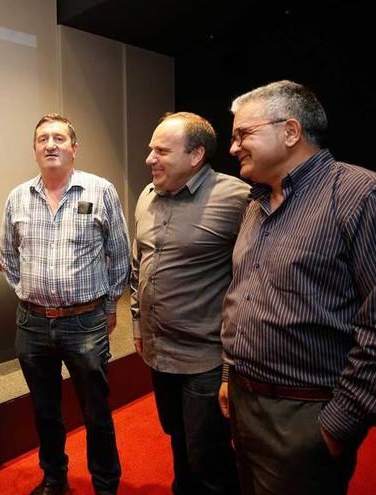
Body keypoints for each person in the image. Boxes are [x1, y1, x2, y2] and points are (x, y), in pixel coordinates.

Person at [219, 80, 376, 495]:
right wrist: (231, 373)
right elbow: (241, 296)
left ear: (290, 132)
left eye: (243, 134)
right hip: (245, 405)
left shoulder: (369, 198)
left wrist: (340, 425)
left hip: (306, 415)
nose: (233, 147)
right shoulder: (256, 205)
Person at [0, 113, 129, 495]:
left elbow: (119, 255)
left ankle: (106, 485)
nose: (50, 144)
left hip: (85, 322)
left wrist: (108, 308)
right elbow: (8, 255)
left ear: (74, 147)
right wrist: (27, 293)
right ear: (34, 149)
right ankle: (54, 479)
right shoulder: (17, 197)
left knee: (96, 412)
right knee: (44, 411)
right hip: (33, 324)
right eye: (42, 139)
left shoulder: (100, 190)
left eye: (59, 138)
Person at [130, 112, 247, 495]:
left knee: (208, 454)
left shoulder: (237, 198)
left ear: (196, 155)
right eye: (151, 149)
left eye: (161, 150)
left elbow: (253, 281)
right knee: (177, 438)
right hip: (158, 352)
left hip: (206, 357)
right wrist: (137, 326)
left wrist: (233, 366)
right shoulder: (148, 196)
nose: (149, 158)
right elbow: (138, 266)